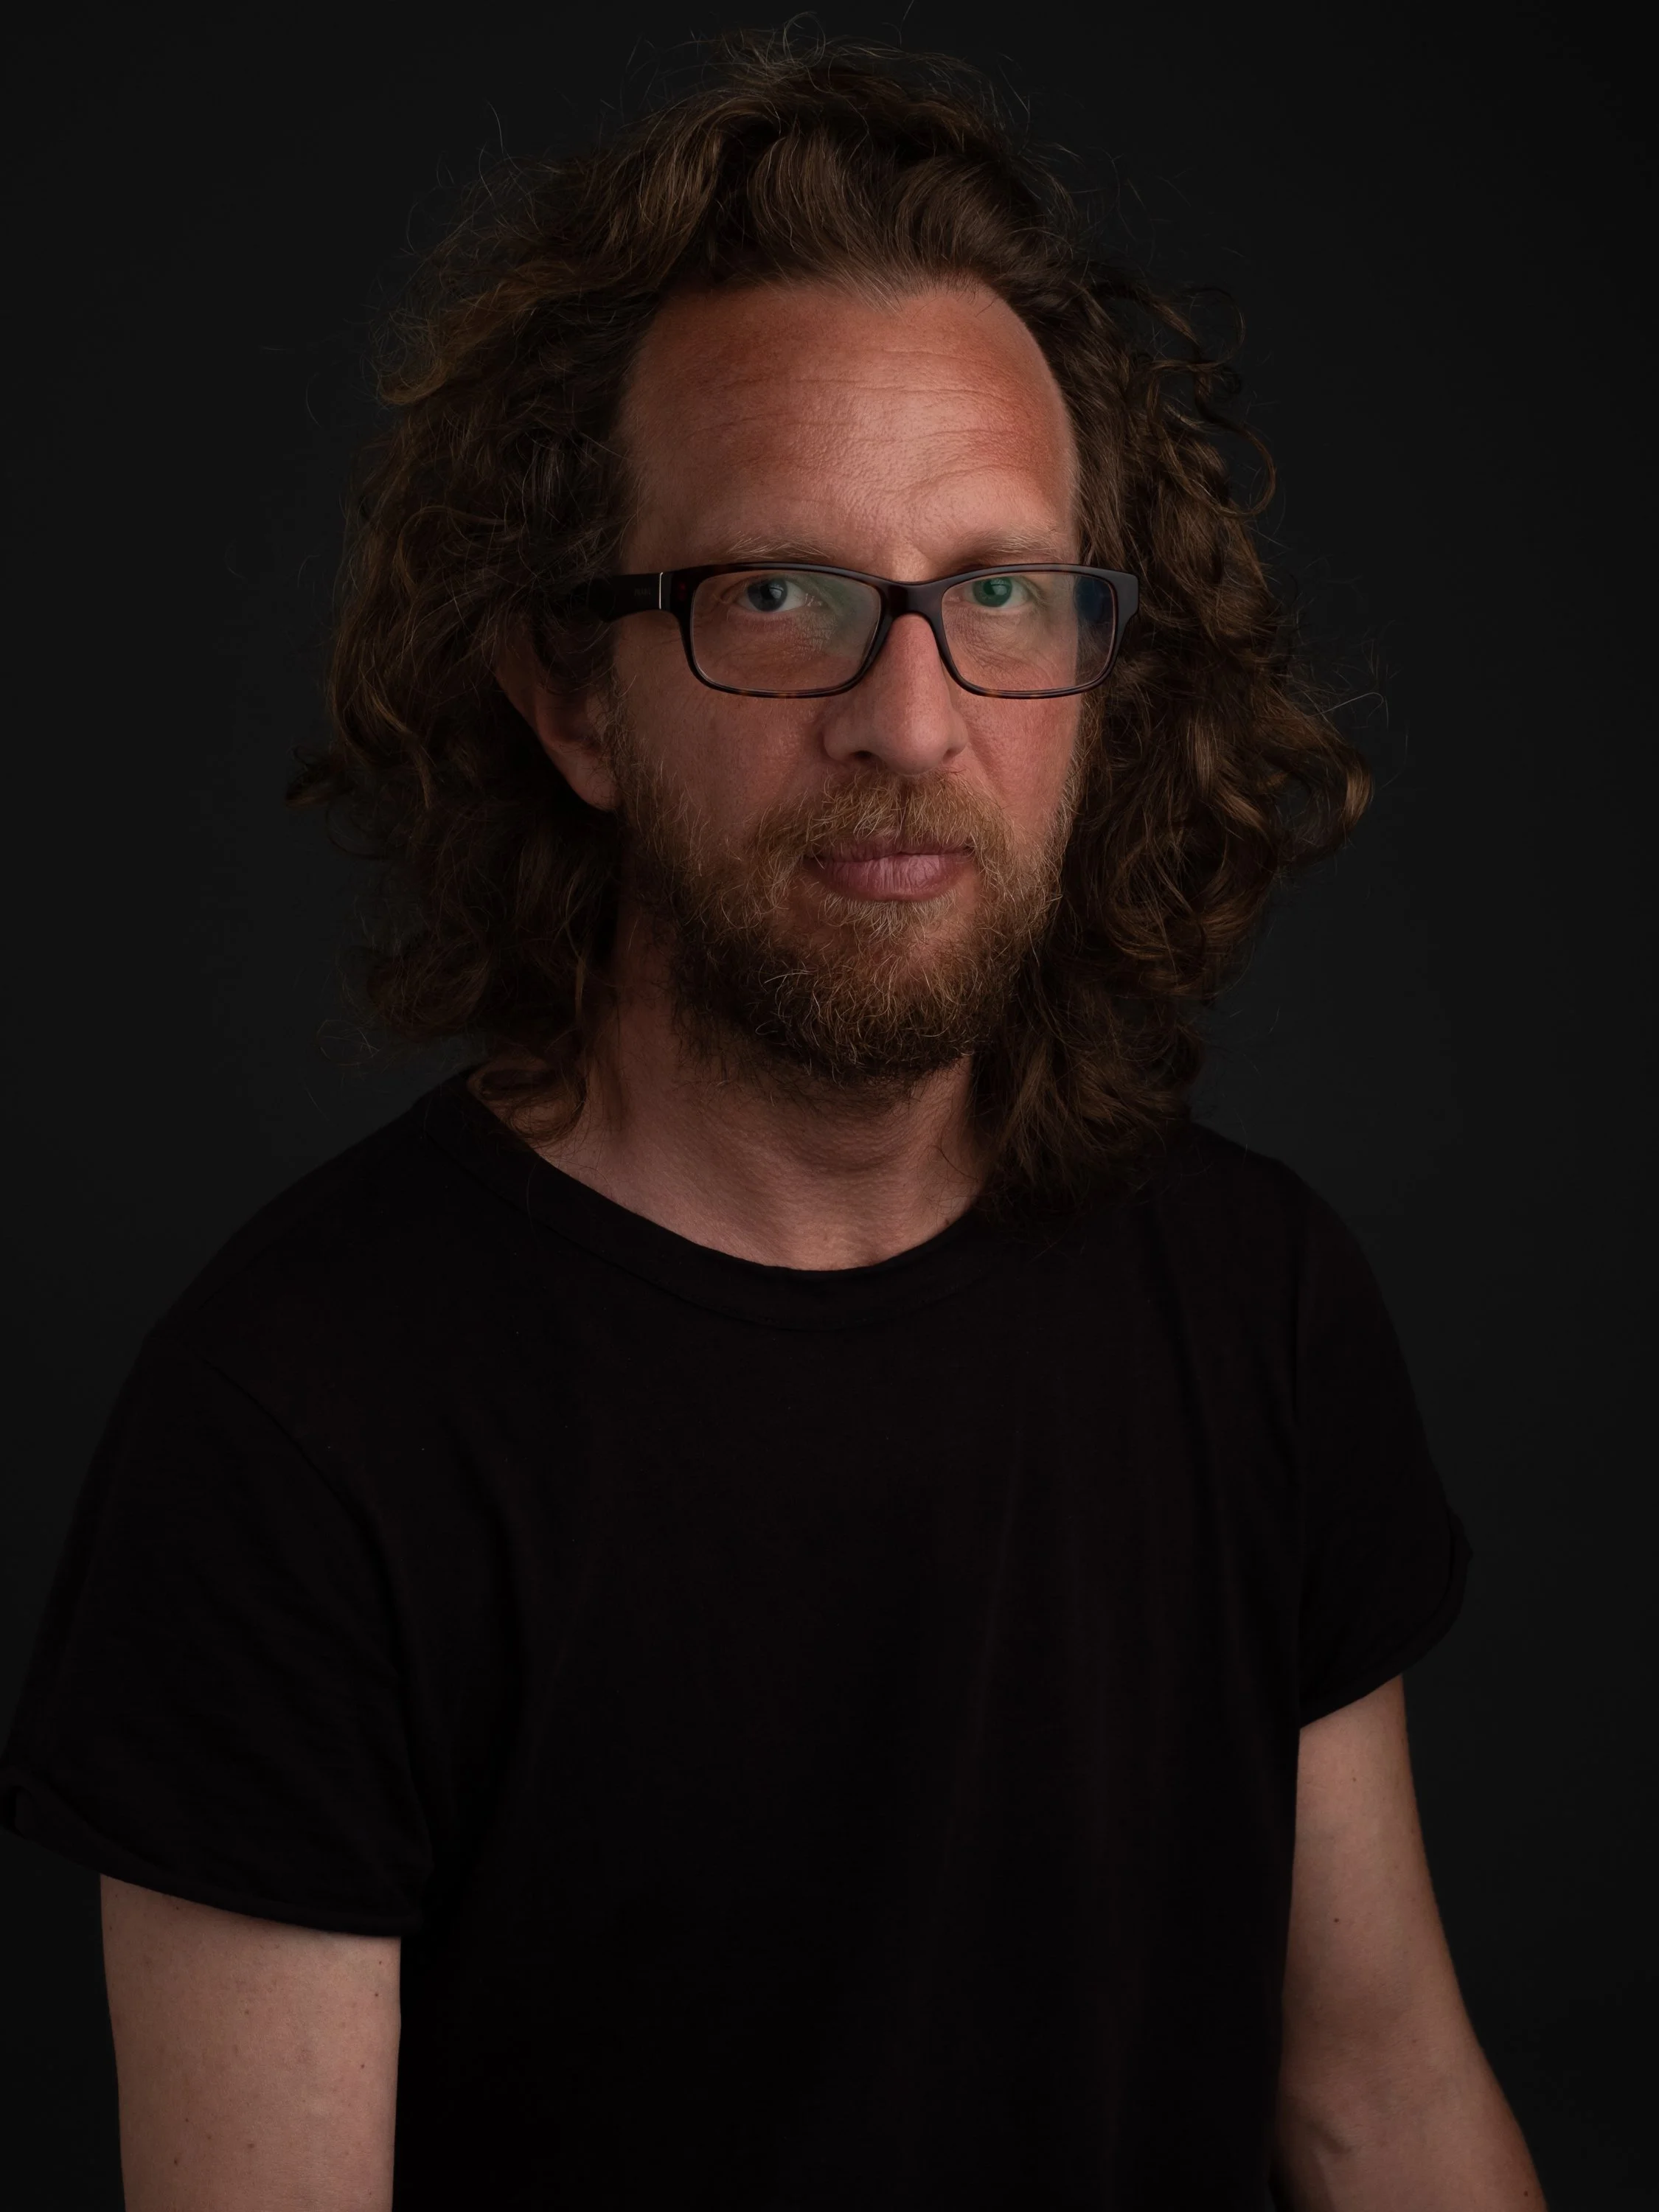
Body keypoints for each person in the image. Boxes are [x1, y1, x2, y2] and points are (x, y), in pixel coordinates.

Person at [0, 33, 1545, 2211]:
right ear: (574, 696)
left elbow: (1374, 2104)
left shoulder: (1260, 1305)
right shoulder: (299, 1430)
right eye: (781, 599)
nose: (908, 722)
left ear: (1101, 673)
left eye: (1001, 594)